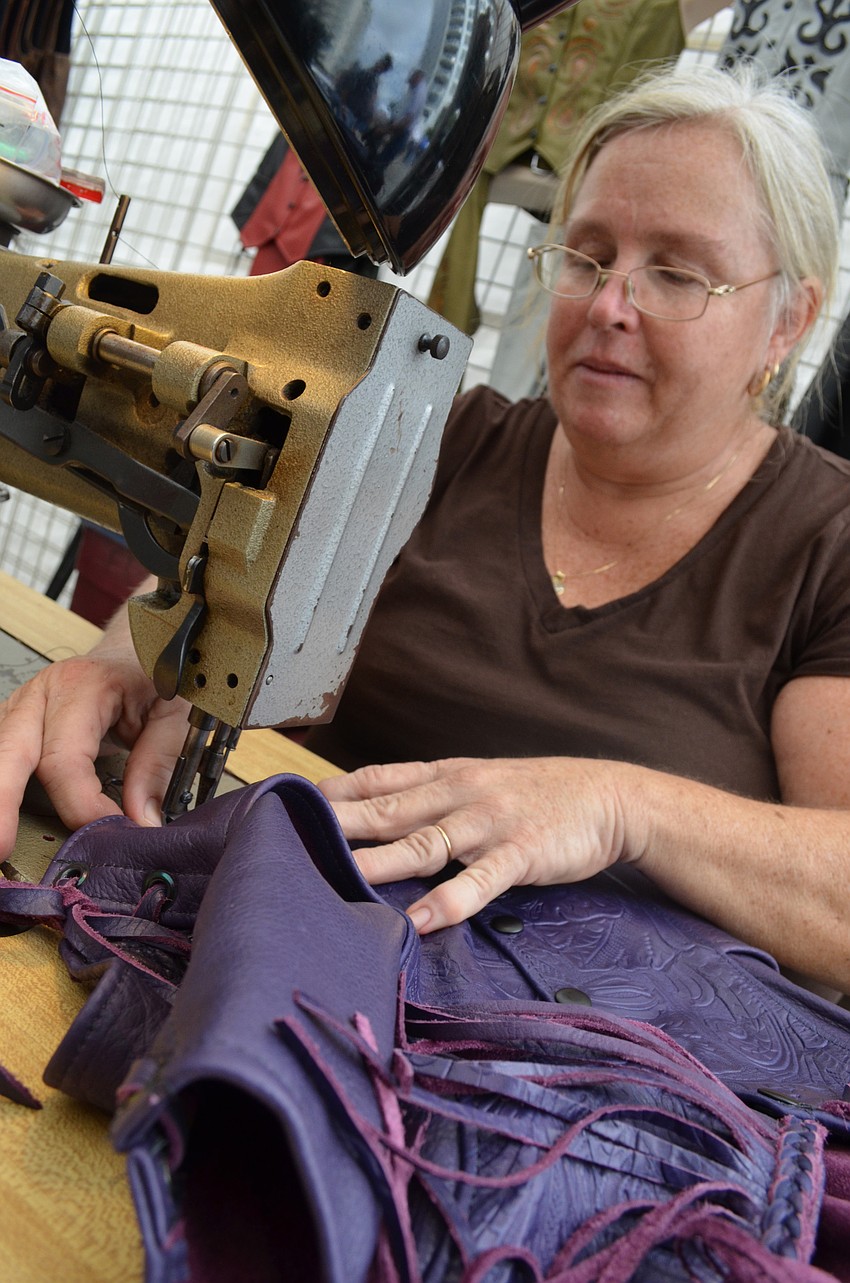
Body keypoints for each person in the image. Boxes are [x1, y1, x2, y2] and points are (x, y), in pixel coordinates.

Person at [1, 64, 848, 996]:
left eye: (678, 274)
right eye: (587, 256)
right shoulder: (432, 438)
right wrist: (131, 657)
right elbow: (233, 568)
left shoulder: (826, 540)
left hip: (587, 1057)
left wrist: (618, 807)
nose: (610, 304)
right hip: (292, 945)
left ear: (788, 321)